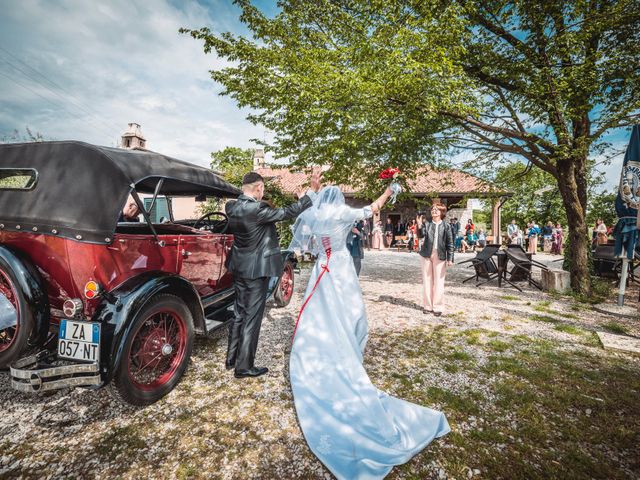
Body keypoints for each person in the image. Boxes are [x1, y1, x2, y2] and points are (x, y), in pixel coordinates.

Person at [289, 184, 449, 480]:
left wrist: (311, 188)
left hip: (320, 267)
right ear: (339, 199)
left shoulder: (315, 213)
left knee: (320, 311)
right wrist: (389, 191)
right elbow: (372, 208)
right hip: (338, 266)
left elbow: (305, 220)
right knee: (352, 313)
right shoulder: (340, 212)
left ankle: (320, 347)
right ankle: (347, 347)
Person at [224, 170, 322, 378]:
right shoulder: (257, 210)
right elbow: (287, 212)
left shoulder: (230, 207)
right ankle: (244, 367)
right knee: (252, 317)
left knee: (239, 312)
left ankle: (231, 358)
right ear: (259, 188)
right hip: (257, 270)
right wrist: (311, 193)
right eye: (263, 189)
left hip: (239, 266)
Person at [418, 203, 455, 316]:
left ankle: (438, 307)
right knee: (427, 280)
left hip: (440, 255)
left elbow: (450, 243)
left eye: (436, 209)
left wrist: (450, 258)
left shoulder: (447, 226)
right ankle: (428, 306)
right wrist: (419, 225)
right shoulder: (427, 224)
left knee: (439, 281)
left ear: (441, 212)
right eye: (433, 209)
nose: (434, 211)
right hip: (426, 254)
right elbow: (421, 236)